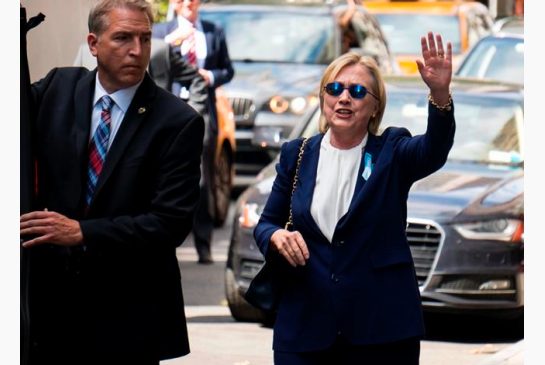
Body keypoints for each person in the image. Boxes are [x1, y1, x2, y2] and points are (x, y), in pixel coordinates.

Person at [19, 1, 204, 364]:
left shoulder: (177, 121)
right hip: (51, 314)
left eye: (144, 39)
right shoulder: (58, 87)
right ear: (93, 43)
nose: (137, 51)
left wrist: (83, 232)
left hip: (128, 318)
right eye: (122, 38)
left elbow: (170, 224)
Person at [254, 32, 455, 364]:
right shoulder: (297, 154)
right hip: (305, 327)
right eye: (335, 89)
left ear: (375, 105)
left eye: (358, 91)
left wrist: (440, 94)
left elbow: (434, 150)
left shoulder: (392, 151)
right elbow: (266, 224)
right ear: (323, 98)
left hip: (381, 330)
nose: (344, 98)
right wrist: (275, 236)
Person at [153, 0, 235, 264]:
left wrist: (207, 77)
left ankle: (204, 244)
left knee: (202, 180)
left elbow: (227, 69)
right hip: (166, 109)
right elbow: (151, 64)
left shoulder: (213, 31)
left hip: (202, 111)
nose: (188, 2)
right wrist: (170, 42)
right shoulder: (159, 32)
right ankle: (164, 240)